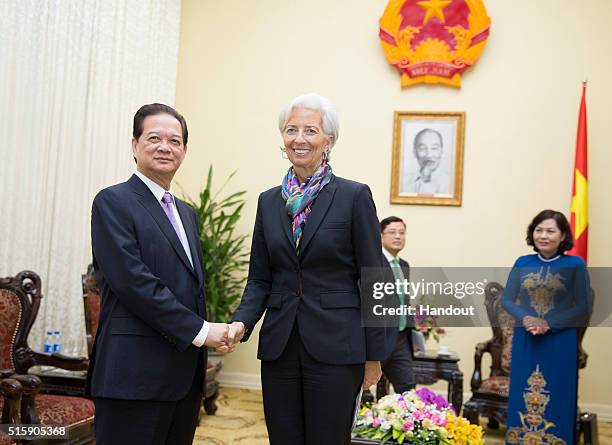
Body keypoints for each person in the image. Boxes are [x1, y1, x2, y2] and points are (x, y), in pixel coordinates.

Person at [227, 93, 388, 445]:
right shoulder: (268, 202)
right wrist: (242, 321)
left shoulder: (353, 195)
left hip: (337, 345)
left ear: (328, 140)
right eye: (291, 130)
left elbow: (375, 279)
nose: (299, 139)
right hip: (280, 345)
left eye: (310, 130)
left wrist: (374, 356)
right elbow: (259, 278)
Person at [87, 103, 231, 445]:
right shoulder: (113, 202)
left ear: (184, 150)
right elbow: (133, 283)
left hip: (183, 378)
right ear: (135, 145)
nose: (165, 147)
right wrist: (201, 331)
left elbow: (189, 288)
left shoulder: (187, 213)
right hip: (133, 376)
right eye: (154, 138)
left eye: (175, 140)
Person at [501, 210, 592, 444]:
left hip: (560, 341)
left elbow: (583, 305)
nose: (543, 235)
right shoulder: (523, 262)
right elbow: (507, 299)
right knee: (523, 395)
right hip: (527, 339)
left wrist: (548, 324)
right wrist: (528, 320)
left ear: (562, 236)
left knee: (558, 395)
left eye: (550, 231)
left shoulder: (575, 264)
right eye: (538, 230)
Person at [379, 216, 416, 394]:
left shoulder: (403, 265)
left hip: (401, 337)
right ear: (381, 236)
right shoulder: (373, 263)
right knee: (362, 389)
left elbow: (404, 300)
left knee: (408, 389)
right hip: (378, 336)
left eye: (401, 232)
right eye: (392, 232)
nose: (398, 236)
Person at [403, 128, 451, 195]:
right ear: (414, 152)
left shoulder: (451, 183)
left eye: (434, 148)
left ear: (441, 151)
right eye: (422, 148)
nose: (428, 155)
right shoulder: (403, 182)